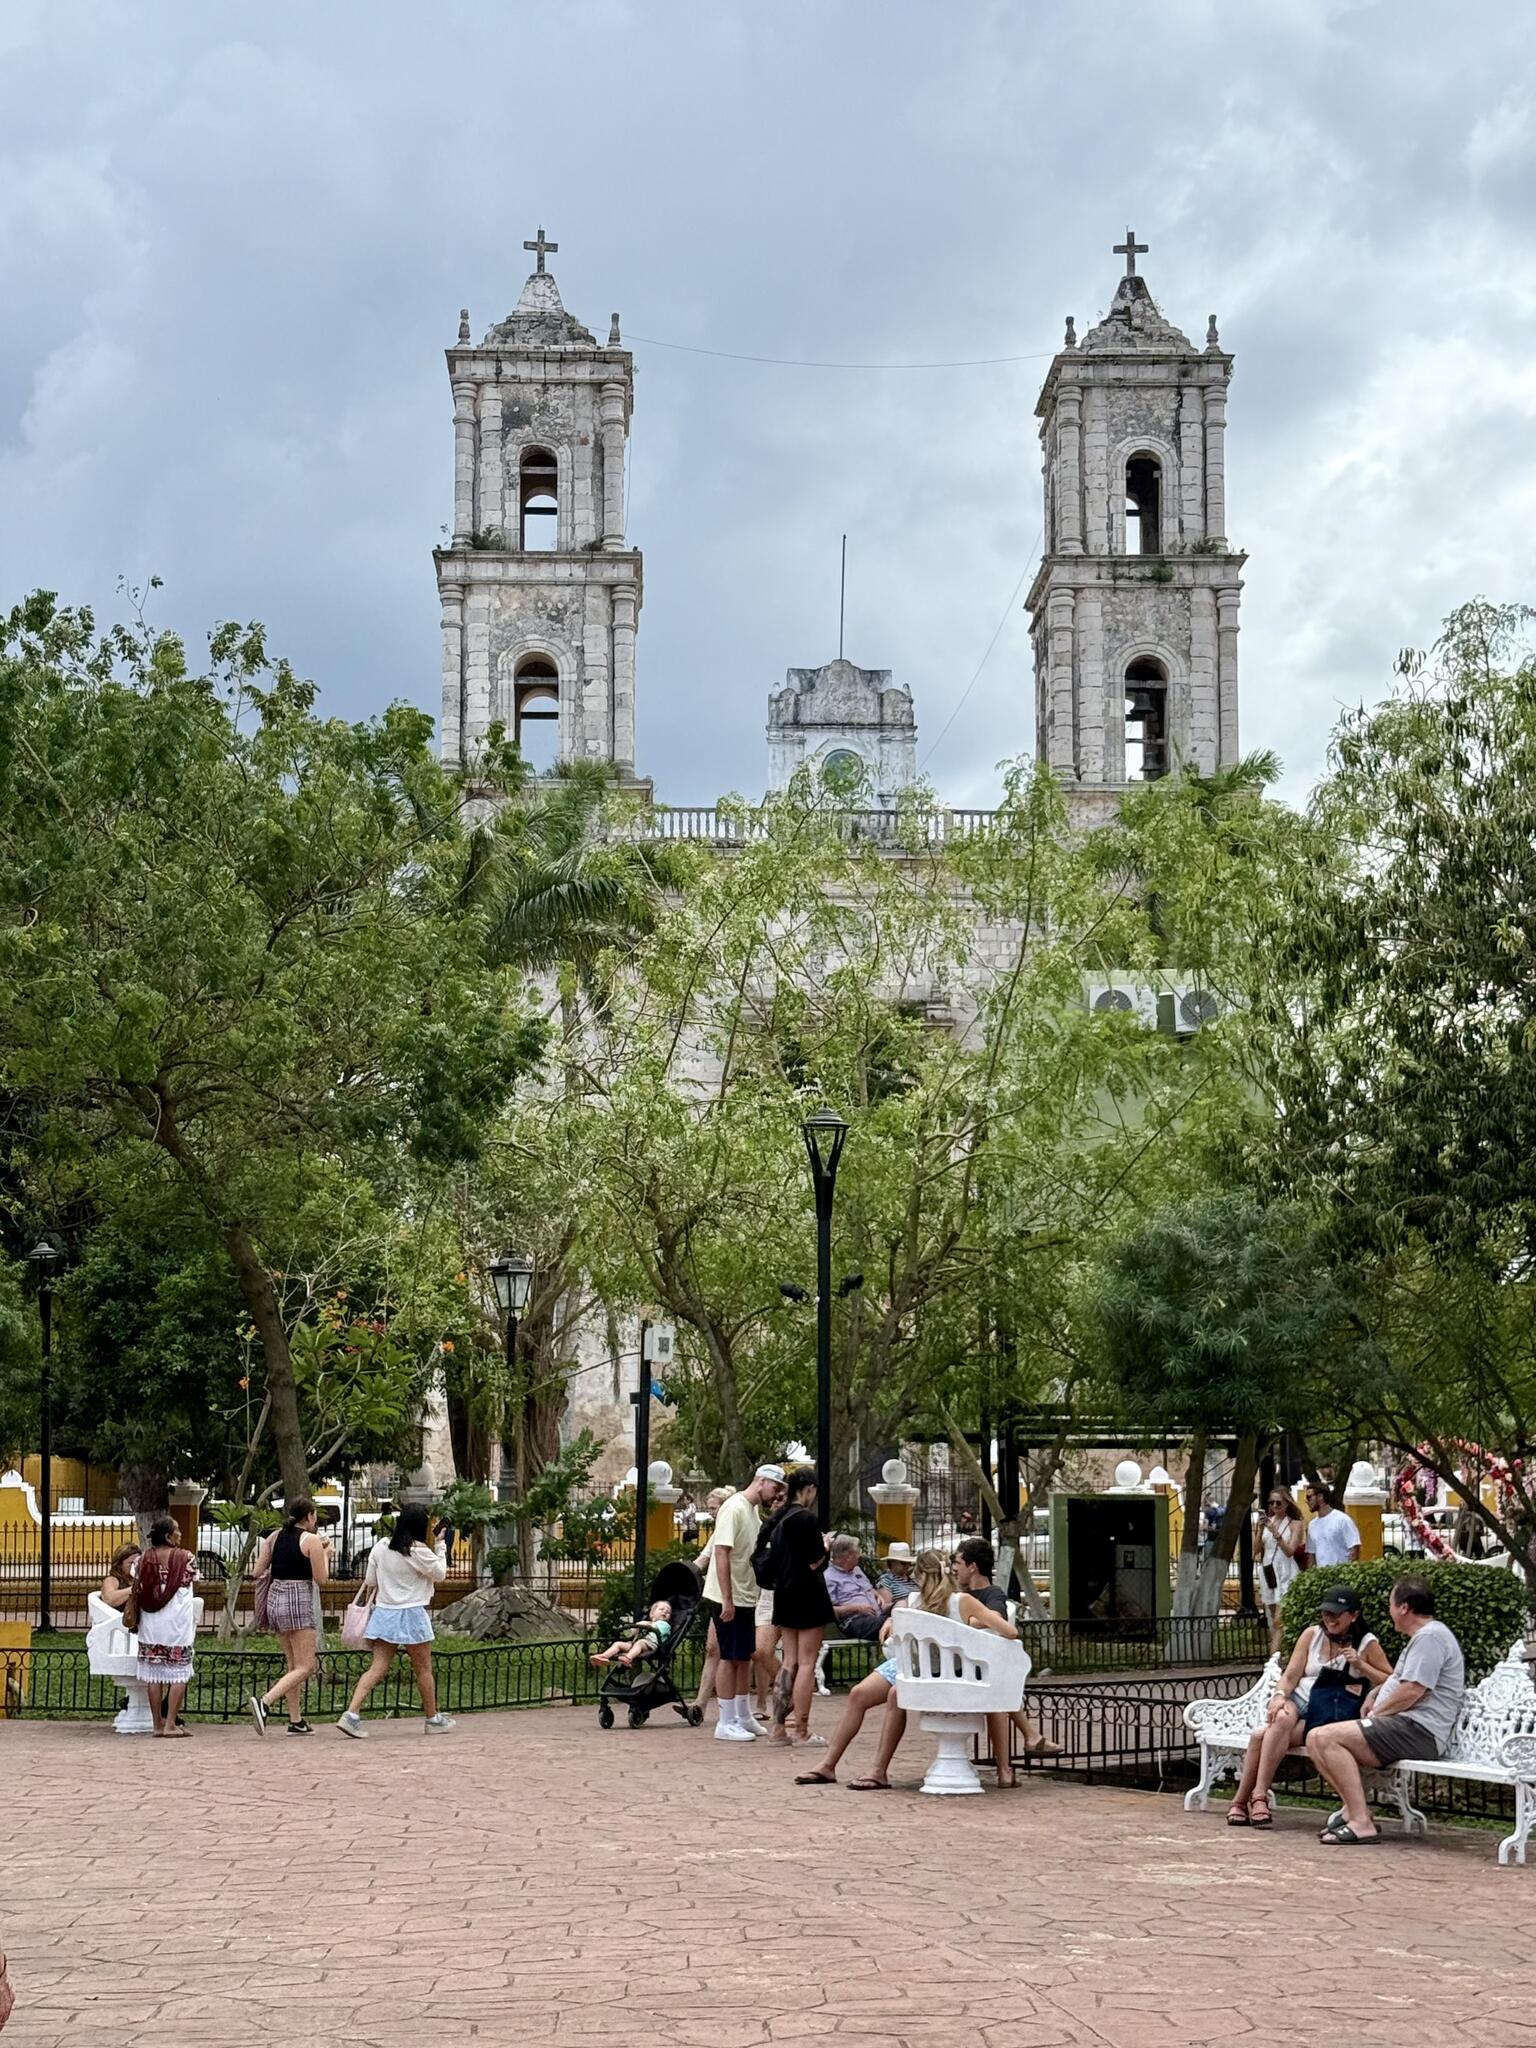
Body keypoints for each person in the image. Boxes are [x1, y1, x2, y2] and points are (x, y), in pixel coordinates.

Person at [796, 1546, 1018, 1788]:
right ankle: (828, 1765)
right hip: (912, 1665)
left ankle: (878, 1770)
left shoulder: (961, 1601)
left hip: (947, 1669)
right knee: (859, 1694)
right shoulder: (914, 1600)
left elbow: (1007, 1629)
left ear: (921, 1576)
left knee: (895, 1693)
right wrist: (892, 1619)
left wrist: (971, 1627)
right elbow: (1011, 1632)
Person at [1308, 1576, 1466, 1845]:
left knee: (1327, 1738)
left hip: (1419, 1730)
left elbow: (1413, 1691)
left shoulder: (1431, 1637)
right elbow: (1399, 1681)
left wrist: (1377, 1714)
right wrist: (1375, 1692)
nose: (1389, 1610)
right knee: (1314, 1738)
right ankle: (1353, 1810)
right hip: (1406, 1727)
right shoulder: (1423, 1637)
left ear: (1404, 1607)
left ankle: (1361, 1822)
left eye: (1391, 1604)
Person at [1224, 1587, 1392, 1827]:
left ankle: (1240, 1802)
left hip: (1326, 1713)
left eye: (1337, 1615)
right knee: (1281, 1718)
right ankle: (1259, 1796)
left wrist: (1361, 1665)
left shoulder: (1366, 1643)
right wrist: (1280, 1695)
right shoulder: (1311, 1635)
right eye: (1326, 1614)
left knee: (1261, 1735)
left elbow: (1390, 1679)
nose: (1330, 1620)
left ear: (1353, 1615)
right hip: (1300, 1701)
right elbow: (1291, 1674)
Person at [336, 1504, 454, 1738]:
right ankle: (432, 1718)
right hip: (411, 1614)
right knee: (423, 1670)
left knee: (377, 1667)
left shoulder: (381, 1547)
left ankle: (351, 1714)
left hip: (385, 1613)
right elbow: (440, 1573)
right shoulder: (418, 1550)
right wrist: (441, 1545)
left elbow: (370, 1580)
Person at [952, 1536, 1057, 1764]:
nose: (954, 1568)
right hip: (962, 1664)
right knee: (999, 1685)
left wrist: (969, 1620)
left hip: (975, 1665)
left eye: (958, 1563)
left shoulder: (992, 1594)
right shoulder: (956, 1593)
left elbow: (996, 1618)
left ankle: (1026, 1743)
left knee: (997, 1686)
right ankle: (1029, 1738)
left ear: (973, 1567)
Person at [700, 1463, 786, 1742]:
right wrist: (727, 1599)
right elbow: (721, 1552)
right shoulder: (734, 1507)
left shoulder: (751, 1510)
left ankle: (742, 1714)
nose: (775, 1494)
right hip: (729, 1596)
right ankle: (725, 1721)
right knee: (728, 1657)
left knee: (741, 1656)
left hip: (745, 1595)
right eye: (775, 1488)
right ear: (762, 1482)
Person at [248, 1496, 331, 1735]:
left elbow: (257, 1571)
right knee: (306, 1666)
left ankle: (296, 1719)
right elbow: (321, 1578)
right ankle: (265, 1702)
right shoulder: (311, 1540)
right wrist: (326, 1554)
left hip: (276, 1600)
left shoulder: (274, 1537)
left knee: (293, 1665)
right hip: (298, 1601)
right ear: (309, 1517)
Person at [769, 1468, 835, 1745]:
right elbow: (814, 1561)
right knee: (807, 1663)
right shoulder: (806, 1520)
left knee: (788, 1661)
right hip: (808, 1593)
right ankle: (801, 1729)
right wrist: (826, 1546)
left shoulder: (780, 1518)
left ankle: (777, 1727)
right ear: (808, 1489)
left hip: (784, 1593)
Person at [134, 1515, 198, 1738]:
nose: (180, 1533)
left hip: (151, 1624)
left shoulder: (142, 1560)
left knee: (154, 1675)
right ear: (169, 1536)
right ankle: (171, 1723)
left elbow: (138, 1581)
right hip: (177, 1626)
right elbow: (193, 1579)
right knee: (179, 1674)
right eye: (177, 1530)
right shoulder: (186, 1559)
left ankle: (157, 1725)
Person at [690, 1486, 736, 1717]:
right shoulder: (718, 1532)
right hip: (718, 1595)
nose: (711, 1513)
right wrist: (684, 1572)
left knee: (741, 1654)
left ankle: (741, 1705)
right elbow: (703, 1558)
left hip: (738, 1596)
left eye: (714, 1508)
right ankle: (700, 1704)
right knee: (713, 1648)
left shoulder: (736, 1524)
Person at [1258, 1488, 1305, 1653]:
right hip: (1268, 1571)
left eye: (1279, 1502)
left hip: (1285, 1572)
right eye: (1271, 1502)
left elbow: (1290, 1551)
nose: (1275, 1506)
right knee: (1273, 1619)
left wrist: (1275, 1532)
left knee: (1280, 1619)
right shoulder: (1267, 1522)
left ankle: (1273, 1661)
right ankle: (1281, 1653)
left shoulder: (1295, 1524)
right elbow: (1255, 1550)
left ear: (1287, 1503)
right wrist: (1259, 1529)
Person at [824, 1534, 885, 1639]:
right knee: (894, 1622)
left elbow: (867, 1588)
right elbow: (827, 1610)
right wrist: (856, 1609)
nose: (859, 1556)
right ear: (848, 1557)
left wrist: (877, 1594)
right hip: (855, 1621)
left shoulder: (857, 1570)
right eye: (857, 1553)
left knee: (901, 1606)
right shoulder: (829, 1577)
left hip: (877, 1616)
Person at [590, 1599, 673, 1668]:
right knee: (618, 1644)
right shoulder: (647, 1622)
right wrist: (638, 1626)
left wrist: (647, 1624)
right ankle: (603, 1657)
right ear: (652, 1613)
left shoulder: (665, 1625)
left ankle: (628, 1658)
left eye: (668, 1612)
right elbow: (632, 1632)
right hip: (635, 1643)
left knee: (640, 1643)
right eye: (661, 1609)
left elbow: (658, 1630)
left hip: (651, 1645)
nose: (665, 1612)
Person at [1302, 1483, 1361, 1568]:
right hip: (1321, 1577)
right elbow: (1312, 1554)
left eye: (1309, 1497)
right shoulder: (1312, 1525)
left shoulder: (1342, 1520)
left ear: (1320, 1497)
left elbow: (1354, 1547)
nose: (1306, 1501)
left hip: (1341, 1575)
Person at [100, 1541, 141, 1612]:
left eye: (138, 1562)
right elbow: (110, 1599)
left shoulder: (139, 1579)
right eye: (131, 1563)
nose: (135, 1566)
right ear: (120, 1564)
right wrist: (135, 1588)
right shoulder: (112, 1580)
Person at [876, 1541, 918, 1607]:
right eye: (903, 1563)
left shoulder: (913, 1580)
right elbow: (884, 1606)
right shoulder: (887, 1580)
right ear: (892, 1562)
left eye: (909, 1563)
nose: (907, 1566)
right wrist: (906, 1602)